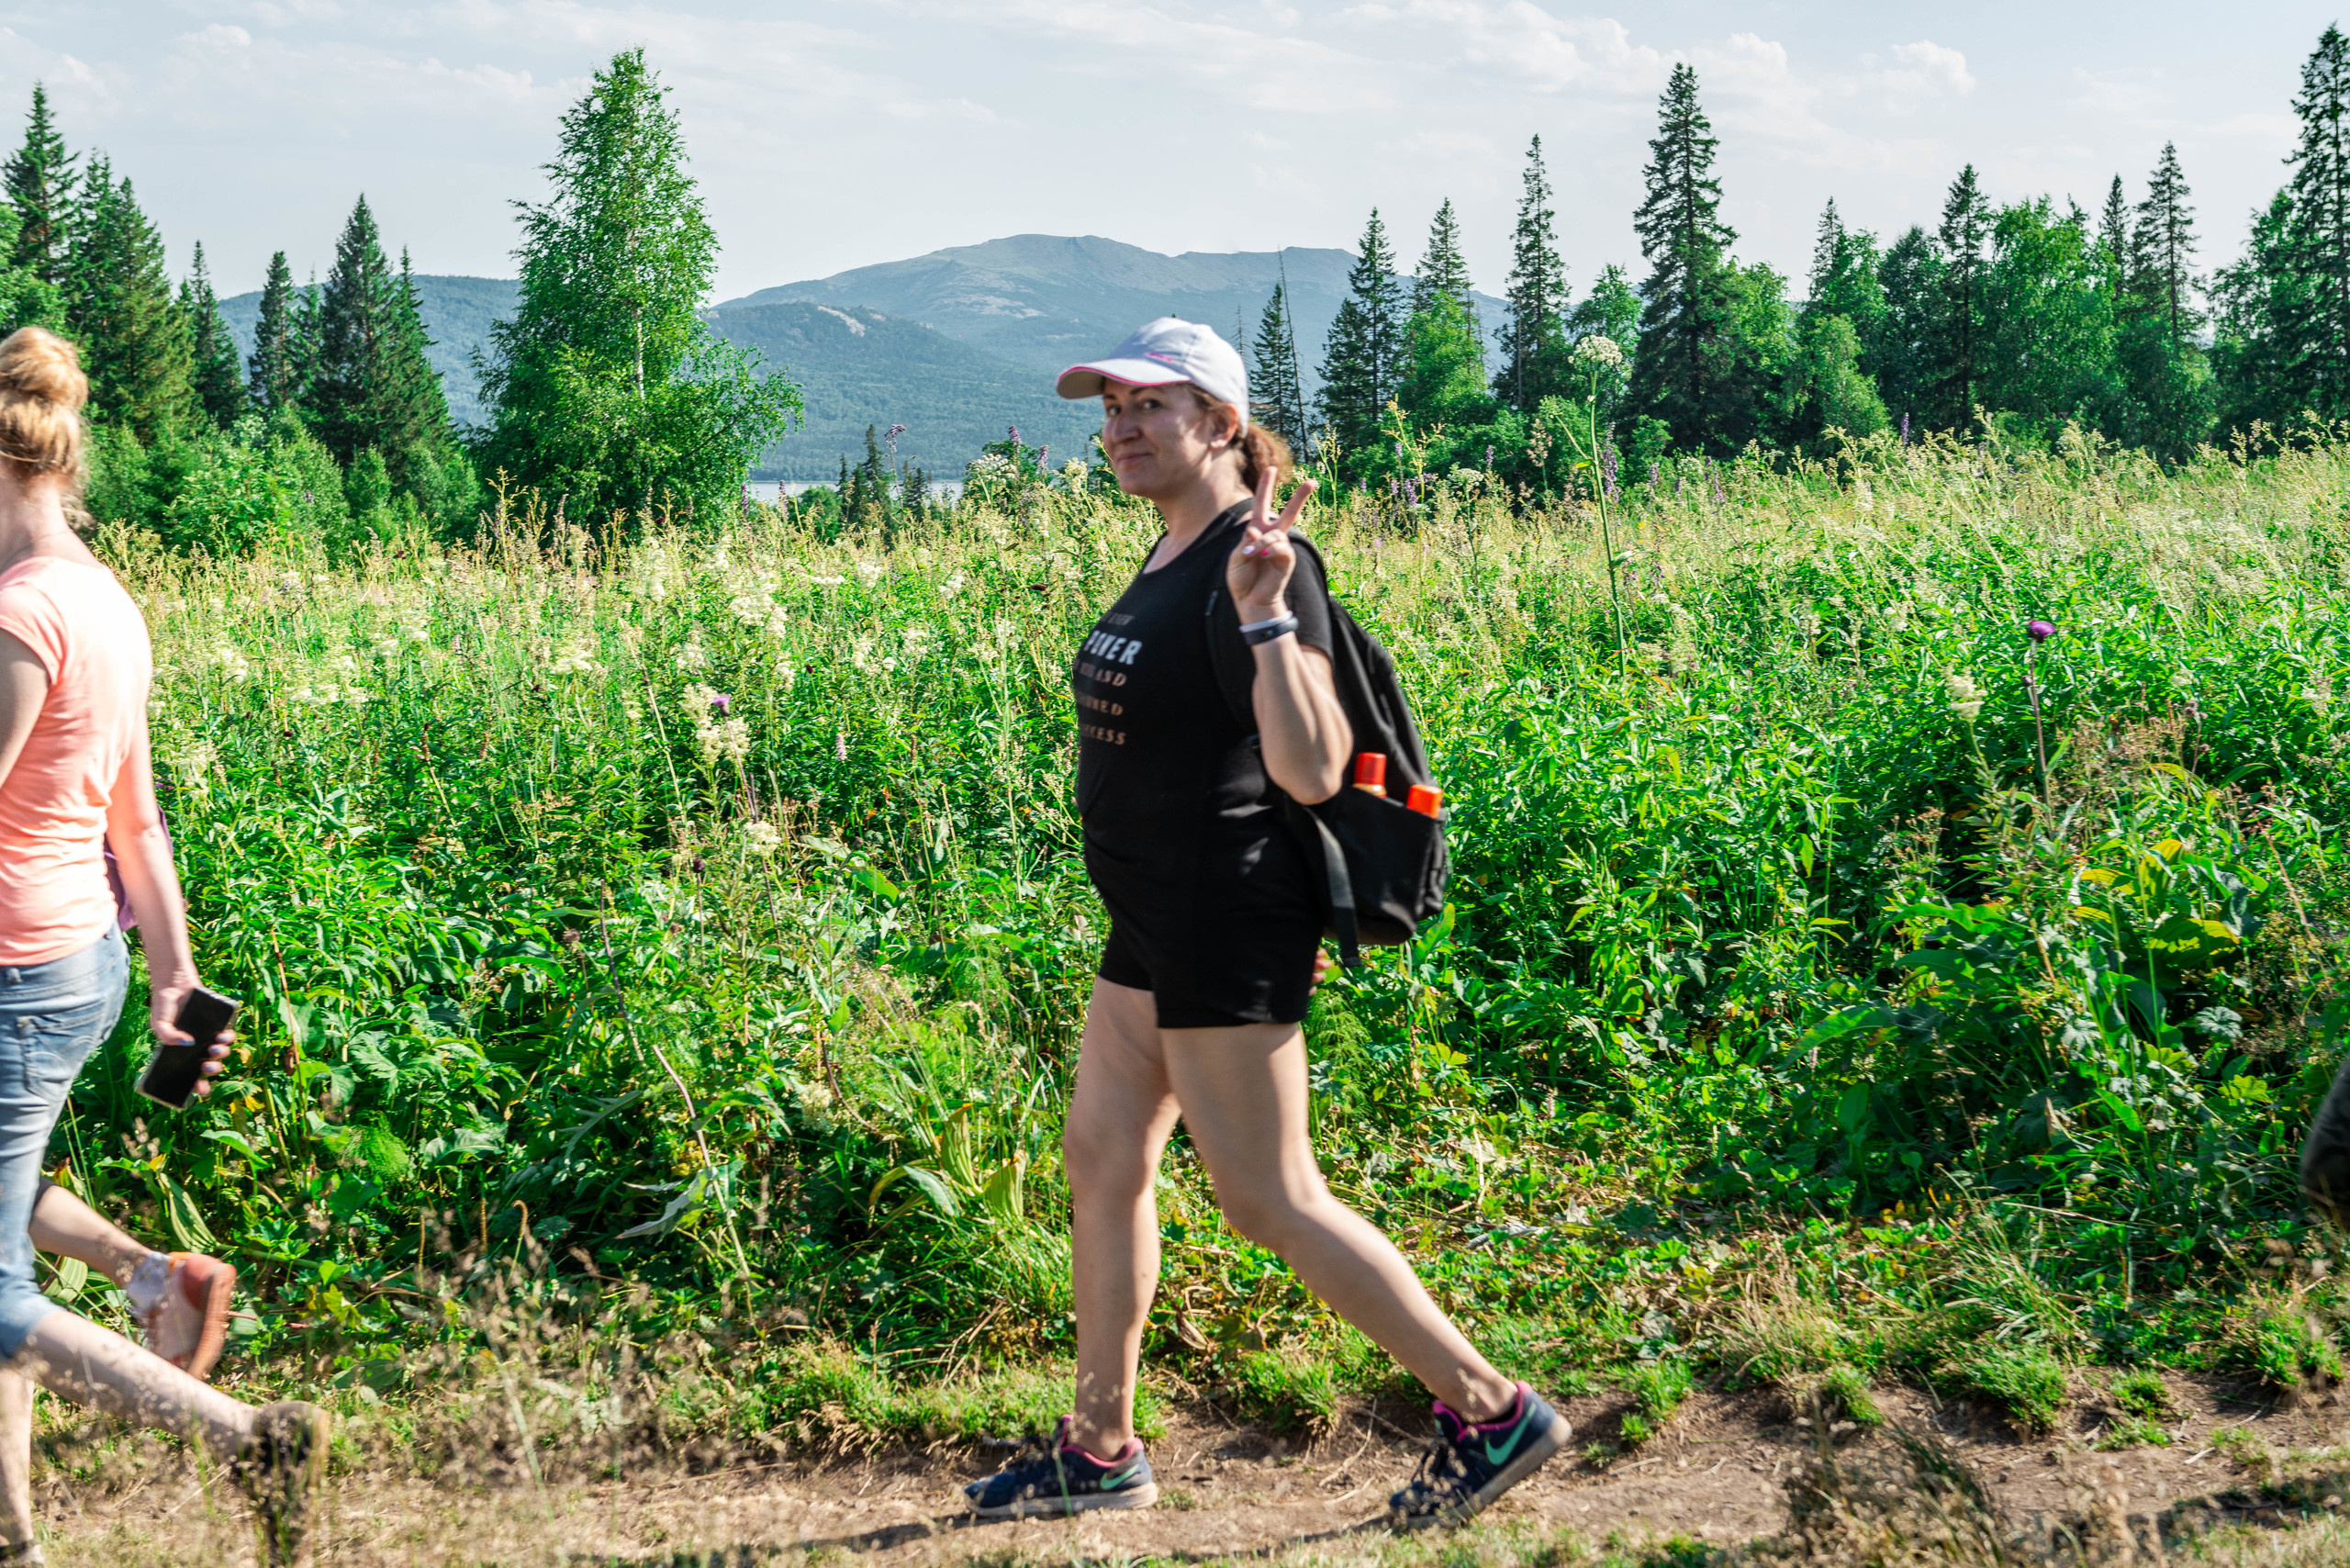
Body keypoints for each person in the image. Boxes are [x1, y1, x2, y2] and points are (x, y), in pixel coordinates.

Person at [962, 319, 1566, 1529]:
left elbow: (1310, 766)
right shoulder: (1172, 545)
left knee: (1268, 1196)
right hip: (1151, 915)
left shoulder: (1259, 557)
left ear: (1223, 424)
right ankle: (1101, 1448)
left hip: (1223, 915)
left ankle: (1493, 1412)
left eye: (1150, 407)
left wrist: (1269, 615)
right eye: (1110, 408)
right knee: (1103, 1157)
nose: (1119, 428)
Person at [0, 326, 326, 1567]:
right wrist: (175, 972)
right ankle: (16, 1535)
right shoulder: (103, 600)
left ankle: (250, 1439)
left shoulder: (24, 617)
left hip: (16, 967)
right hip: (75, 960)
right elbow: (133, 814)